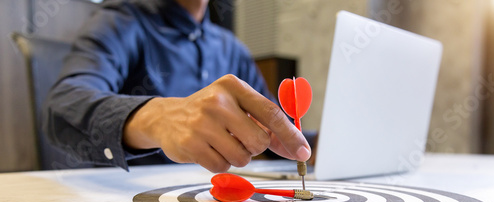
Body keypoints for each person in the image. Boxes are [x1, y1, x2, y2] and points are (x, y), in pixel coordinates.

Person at [43, 0, 311, 173]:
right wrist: (157, 118)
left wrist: (320, 142)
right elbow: (62, 108)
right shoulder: (120, 21)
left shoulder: (232, 49)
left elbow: (274, 132)